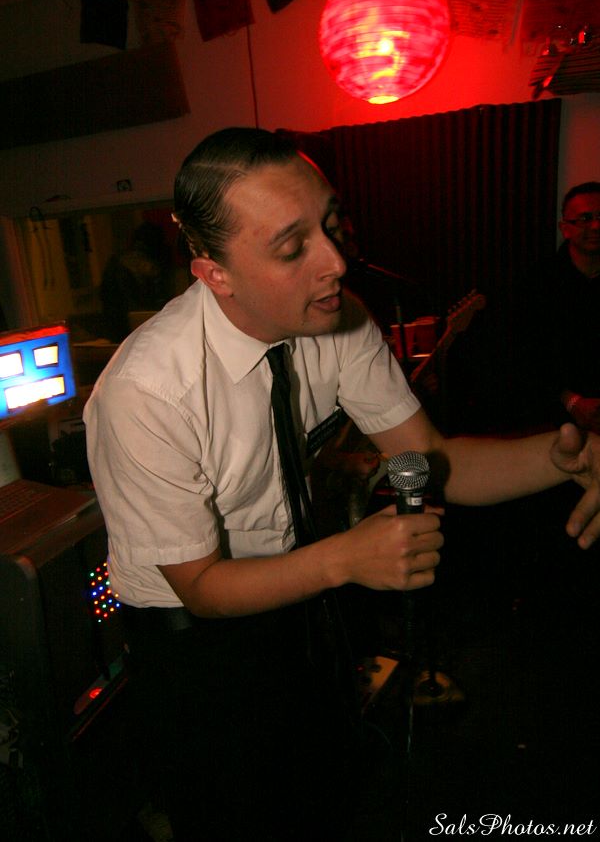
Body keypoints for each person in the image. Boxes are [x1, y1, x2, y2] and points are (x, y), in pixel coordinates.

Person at [83, 130, 600, 842]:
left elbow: (430, 458)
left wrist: (568, 458)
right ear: (214, 273)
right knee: (236, 817)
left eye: (329, 225)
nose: (334, 260)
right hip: (193, 638)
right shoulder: (145, 391)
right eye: (292, 247)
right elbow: (200, 586)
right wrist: (346, 559)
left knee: (324, 789)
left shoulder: (341, 317)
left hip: (300, 592)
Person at [509, 181, 600, 434]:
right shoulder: (539, 282)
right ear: (565, 228)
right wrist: (572, 402)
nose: (596, 226)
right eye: (585, 218)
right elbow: (526, 356)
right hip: (553, 415)